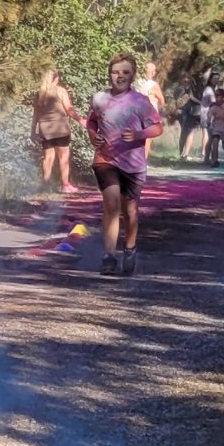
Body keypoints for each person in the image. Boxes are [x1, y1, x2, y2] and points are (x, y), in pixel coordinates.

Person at [87, 54, 164, 278]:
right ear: (109, 73)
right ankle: (108, 256)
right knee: (111, 204)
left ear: (132, 76)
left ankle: (129, 249)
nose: (120, 76)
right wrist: (93, 136)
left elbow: (157, 128)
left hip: (134, 163)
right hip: (105, 159)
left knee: (130, 211)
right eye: (116, 71)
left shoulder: (141, 101)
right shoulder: (100, 98)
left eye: (125, 72)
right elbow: (92, 120)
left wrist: (140, 134)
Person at [30, 68, 86, 192]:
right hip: (60, 128)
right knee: (63, 156)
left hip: (45, 129)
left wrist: (33, 132)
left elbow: (35, 115)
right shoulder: (60, 91)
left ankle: (45, 185)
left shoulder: (40, 94)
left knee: (48, 157)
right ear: (55, 78)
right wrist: (82, 121)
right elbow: (69, 110)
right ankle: (65, 185)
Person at [202, 82, 224, 166]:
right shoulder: (213, 106)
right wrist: (208, 122)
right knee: (215, 144)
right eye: (217, 97)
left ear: (223, 97)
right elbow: (209, 115)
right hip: (215, 128)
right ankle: (214, 160)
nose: (219, 99)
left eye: (220, 97)